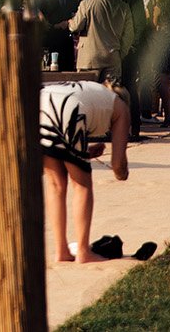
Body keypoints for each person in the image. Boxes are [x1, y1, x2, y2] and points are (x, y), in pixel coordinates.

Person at [38, 79, 141, 264]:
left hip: (40, 104)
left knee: (55, 184)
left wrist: (84, 153)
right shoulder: (121, 107)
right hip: (69, 109)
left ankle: (61, 250)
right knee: (82, 185)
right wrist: (122, 173)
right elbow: (118, 165)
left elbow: (64, 147)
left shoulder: (92, 90)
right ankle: (84, 251)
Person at [69, 0, 137, 84]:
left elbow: (76, 26)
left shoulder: (86, 4)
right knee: (111, 96)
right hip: (113, 59)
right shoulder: (124, 7)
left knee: (89, 96)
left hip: (89, 60)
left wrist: (70, 22)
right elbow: (129, 35)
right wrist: (119, 54)